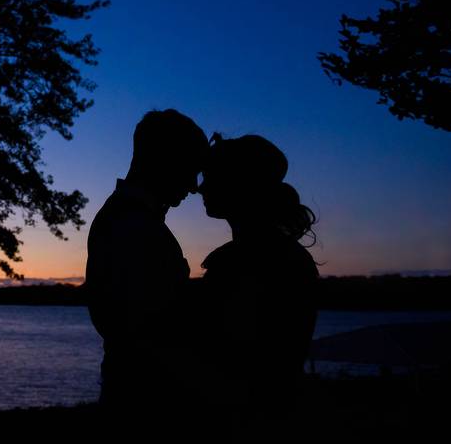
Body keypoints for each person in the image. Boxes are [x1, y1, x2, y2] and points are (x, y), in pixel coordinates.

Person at [85, 109, 208, 415]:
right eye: (190, 169)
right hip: (144, 403)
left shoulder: (127, 217)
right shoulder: (132, 225)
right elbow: (143, 326)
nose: (194, 186)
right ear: (164, 160)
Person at [195, 133, 319, 431]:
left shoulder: (249, 259)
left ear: (240, 183)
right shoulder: (278, 252)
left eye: (211, 177)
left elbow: (230, 352)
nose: (200, 187)